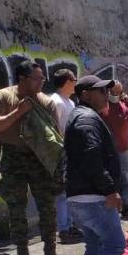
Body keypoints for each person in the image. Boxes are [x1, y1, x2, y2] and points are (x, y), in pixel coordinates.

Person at [0, 60, 66, 255]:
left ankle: (50, 254)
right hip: (13, 157)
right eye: (37, 78)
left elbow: (56, 135)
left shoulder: (46, 101)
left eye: (43, 78)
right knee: (16, 209)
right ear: (22, 79)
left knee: (47, 207)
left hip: (40, 157)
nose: (42, 82)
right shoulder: (3, 96)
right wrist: (19, 112)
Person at [63, 75, 128, 255]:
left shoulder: (82, 117)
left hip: (82, 196)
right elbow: (92, 159)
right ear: (84, 94)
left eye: (106, 91)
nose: (105, 94)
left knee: (95, 246)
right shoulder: (87, 120)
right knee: (114, 244)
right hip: (93, 198)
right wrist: (110, 190)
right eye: (100, 90)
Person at [99, 80, 128, 219]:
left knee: (126, 179)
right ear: (108, 92)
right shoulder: (103, 107)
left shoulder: (124, 105)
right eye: (113, 91)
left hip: (124, 150)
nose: (115, 94)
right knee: (111, 180)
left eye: (118, 91)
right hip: (108, 151)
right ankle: (111, 209)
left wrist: (127, 101)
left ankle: (126, 207)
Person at [50, 68, 81, 244]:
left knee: (69, 191)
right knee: (62, 192)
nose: (76, 82)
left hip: (71, 151)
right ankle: (63, 228)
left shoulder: (69, 102)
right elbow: (55, 128)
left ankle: (69, 225)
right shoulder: (56, 102)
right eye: (73, 79)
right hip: (61, 152)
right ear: (67, 82)